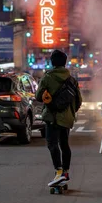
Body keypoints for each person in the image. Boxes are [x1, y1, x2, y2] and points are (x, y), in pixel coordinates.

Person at [36, 50, 82, 187]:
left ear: (52, 62)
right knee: (64, 144)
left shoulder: (48, 77)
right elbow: (79, 101)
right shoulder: (72, 80)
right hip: (66, 118)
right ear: (65, 62)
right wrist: (70, 112)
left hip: (51, 116)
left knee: (52, 143)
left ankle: (58, 171)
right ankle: (66, 172)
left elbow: (39, 97)